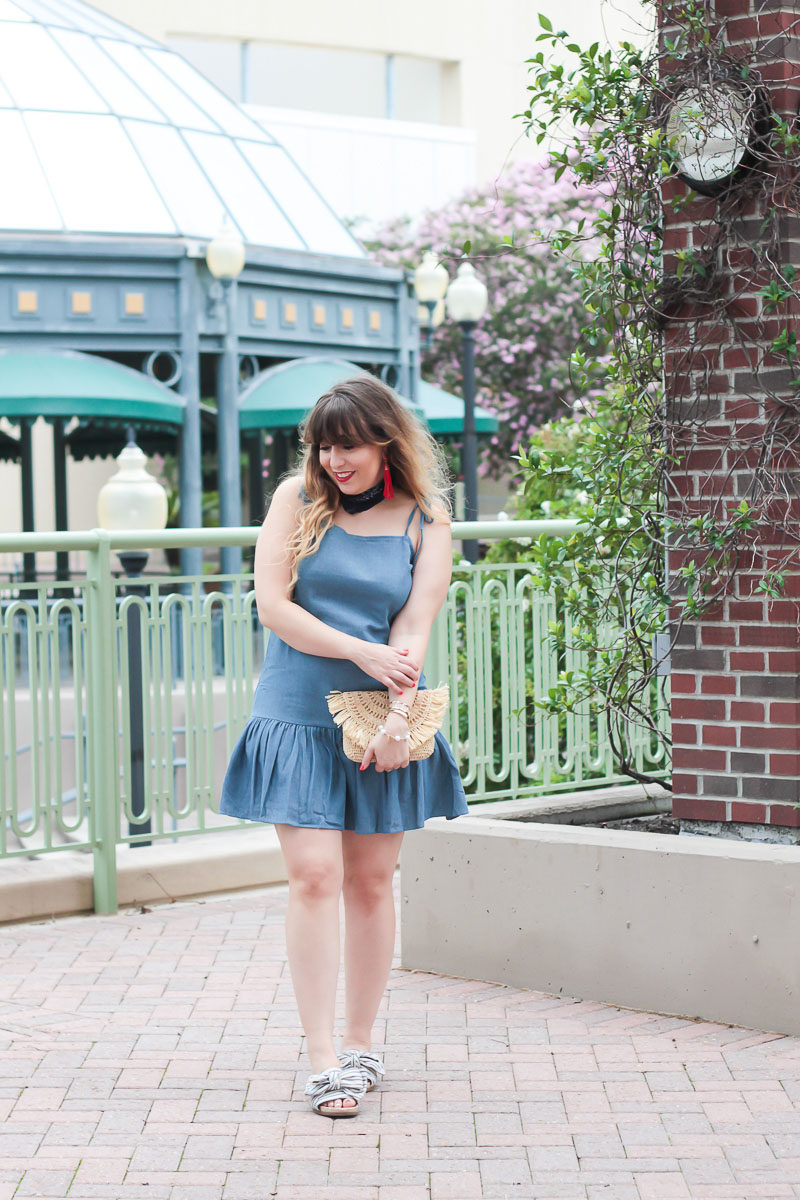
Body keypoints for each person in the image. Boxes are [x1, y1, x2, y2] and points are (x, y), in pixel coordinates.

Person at [220, 375, 469, 1118]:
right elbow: (273, 606)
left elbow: (413, 630)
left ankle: (361, 1045)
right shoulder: (294, 504)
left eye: (349, 444)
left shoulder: (425, 520)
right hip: (297, 709)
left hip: (377, 717)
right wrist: (359, 653)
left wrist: (398, 722)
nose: (334, 459)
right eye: (324, 445)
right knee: (314, 876)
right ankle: (322, 1056)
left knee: (369, 882)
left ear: (385, 441)